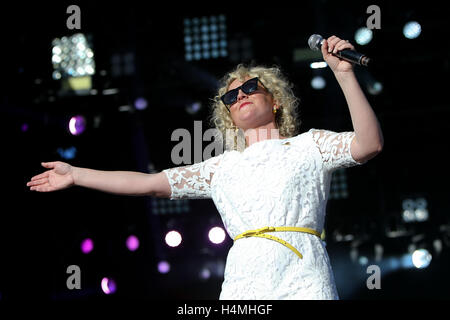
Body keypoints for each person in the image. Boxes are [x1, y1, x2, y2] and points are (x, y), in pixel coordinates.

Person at [27, 35, 383, 299]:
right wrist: (77, 175)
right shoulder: (220, 168)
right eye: (231, 95)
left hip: (305, 278)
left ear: (274, 101)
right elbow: (149, 183)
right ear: (228, 113)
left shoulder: (309, 145)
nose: (240, 95)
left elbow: (369, 144)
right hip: (245, 284)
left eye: (249, 88)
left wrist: (344, 74)